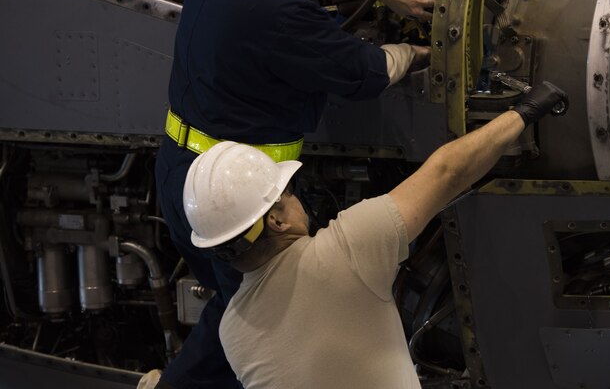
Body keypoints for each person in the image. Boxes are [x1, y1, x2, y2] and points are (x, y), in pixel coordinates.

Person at [153, 0, 432, 389]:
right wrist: (415, 53)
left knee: (236, 305)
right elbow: (368, 70)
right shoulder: (278, 13)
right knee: (251, 320)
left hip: (183, 171)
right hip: (236, 196)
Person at [182, 81, 568, 389]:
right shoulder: (346, 250)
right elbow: (447, 172)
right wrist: (525, 111)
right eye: (287, 194)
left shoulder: (232, 333)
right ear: (277, 222)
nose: (296, 198)